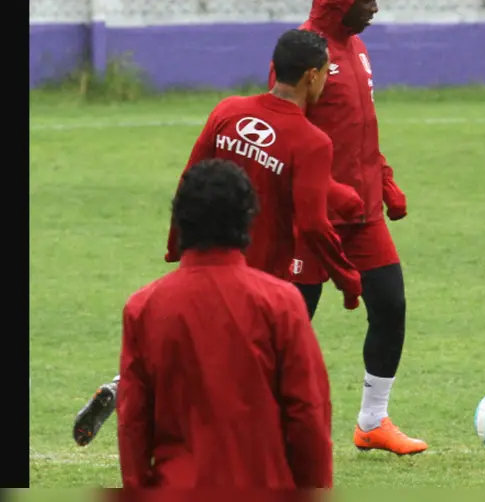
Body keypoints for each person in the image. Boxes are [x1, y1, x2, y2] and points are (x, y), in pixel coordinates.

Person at [72, 28, 362, 448]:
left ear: (274, 69)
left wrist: (177, 244)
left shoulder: (228, 110)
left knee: (202, 350)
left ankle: (124, 386)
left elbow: (191, 176)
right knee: (245, 371)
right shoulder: (312, 141)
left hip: (203, 257)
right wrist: (348, 278)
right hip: (257, 276)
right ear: (312, 76)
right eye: (327, 75)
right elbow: (314, 224)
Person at [266, 0, 426, 456]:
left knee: (391, 306)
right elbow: (285, 130)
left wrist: (384, 179)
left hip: (363, 215)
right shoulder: (302, 52)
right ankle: (256, 421)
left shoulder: (357, 50)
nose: (375, 9)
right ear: (339, 1)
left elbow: (361, 127)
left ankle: (372, 421)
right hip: (311, 216)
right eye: (368, 0)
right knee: (290, 324)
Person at [117, 158, 333, 488]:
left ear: (180, 221)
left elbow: (133, 421)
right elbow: (307, 413)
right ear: (247, 220)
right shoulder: (281, 302)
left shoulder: (143, 308)